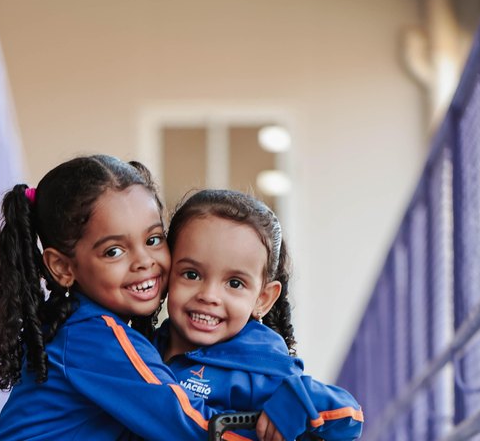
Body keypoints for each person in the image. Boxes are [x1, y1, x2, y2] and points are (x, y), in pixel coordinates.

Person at [0, 155, 281, 441]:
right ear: (63, 267)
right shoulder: (94, 336)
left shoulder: (82, 325)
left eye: (153, 240)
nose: (144, 261)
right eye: (113, 251)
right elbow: (181, 420)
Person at [154, 189, 364, 440]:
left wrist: (300, 397)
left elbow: (351, 417)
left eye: (234, 283)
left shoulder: (259, 369)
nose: (209, 295)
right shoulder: (141, 346)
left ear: (263, 299)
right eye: (192, 274)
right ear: (166, 273)